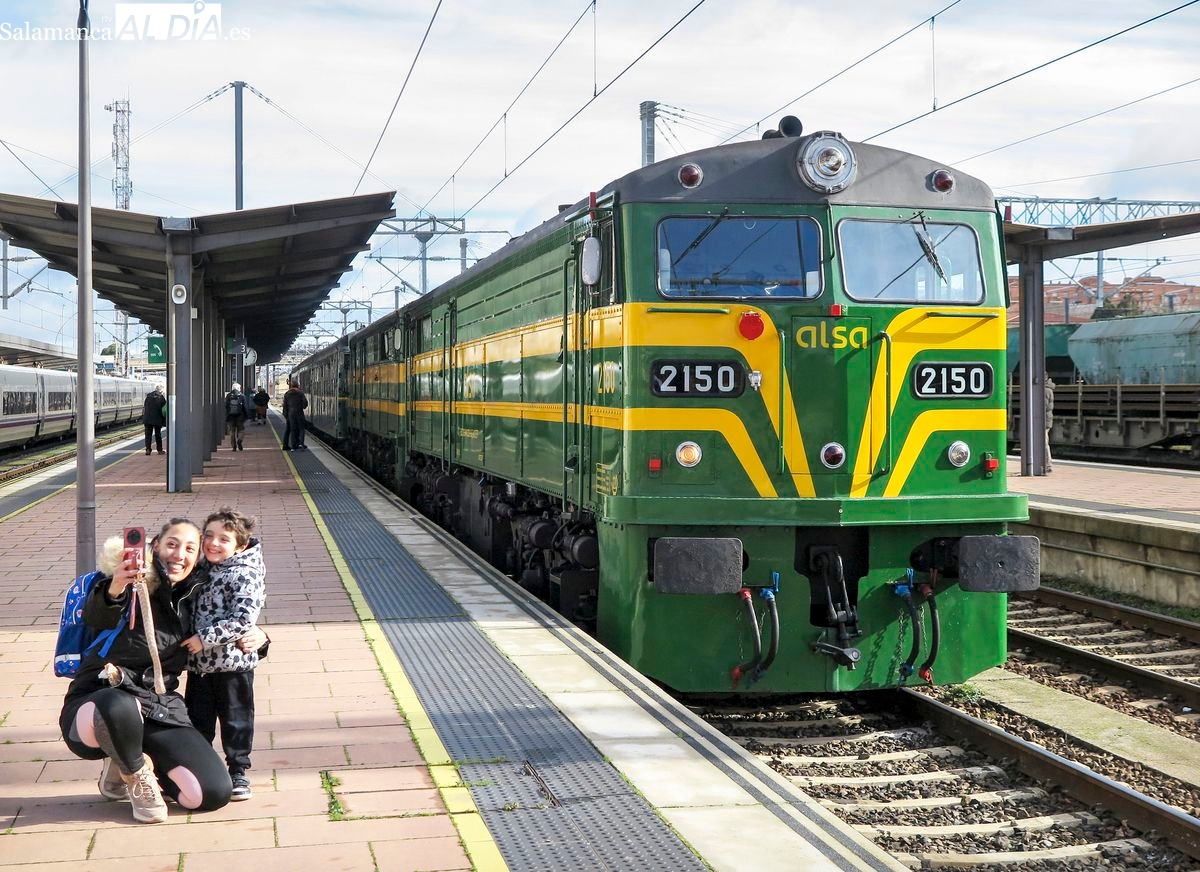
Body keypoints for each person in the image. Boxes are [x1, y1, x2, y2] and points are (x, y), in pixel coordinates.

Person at [57, 519, 264, 823]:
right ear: (155, 546)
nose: (179, 555)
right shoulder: (128, 583)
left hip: (158, 706)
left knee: (211, 793)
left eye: (190, 549)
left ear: (198, 557)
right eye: (172, 544)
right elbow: (97, 615)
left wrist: (260, 636)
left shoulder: (196, 595)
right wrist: (117, 585)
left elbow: (227, 624)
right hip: (97, 702)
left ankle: (128, 753)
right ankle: (134, 772)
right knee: (118, 704)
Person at [183, 508, 266, 802]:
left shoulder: (246, 574)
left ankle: (238, 770)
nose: (213, 543)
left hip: (233, 665)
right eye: (208, 536)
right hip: (200, 667)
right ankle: (202, 769)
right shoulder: (202, 569)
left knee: (236, 720)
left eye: (223, 539)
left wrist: (203, 639)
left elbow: (242, 620)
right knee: (198, 720)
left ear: (240, 546)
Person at [223, 382, 252, 451]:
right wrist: (247, 416)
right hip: (240, 416)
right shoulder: (242, 396)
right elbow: (245, 407)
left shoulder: (228, 396)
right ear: (239, 388)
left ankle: (234, 446)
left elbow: (226, 406)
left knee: (232, 431)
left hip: (230, 416)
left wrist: (227, 414)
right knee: (241, 430)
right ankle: (239, 440)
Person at [281, 379, 308, 451]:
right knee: (301, 429)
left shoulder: (287, 393)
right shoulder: (300, 393)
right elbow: (305, 403)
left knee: (292, 429)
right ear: (297, 386)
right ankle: (301, 444)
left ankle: (293, 446)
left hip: (290, 414)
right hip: (299, 413)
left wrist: (286, 415)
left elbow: (284, 405)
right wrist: (302, 406)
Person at [143, 384, 167, 456]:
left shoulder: (148, 397)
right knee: (158, 434)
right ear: (161, 391)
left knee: (148, 435)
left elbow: (145, 406)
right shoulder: (161, 398)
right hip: (157, 419)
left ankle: (148, 449)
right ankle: (159, 450)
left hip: (147, 419)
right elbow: (164, 409)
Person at [1043, 376, 1055, 474]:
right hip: (1047, 419)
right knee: (1044, 441)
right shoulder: (1048, 389)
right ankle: (1047, 464)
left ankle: (1048, 464)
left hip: (1044, 419)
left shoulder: (1045, 390)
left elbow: (1043, 406)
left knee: (1044, 442)